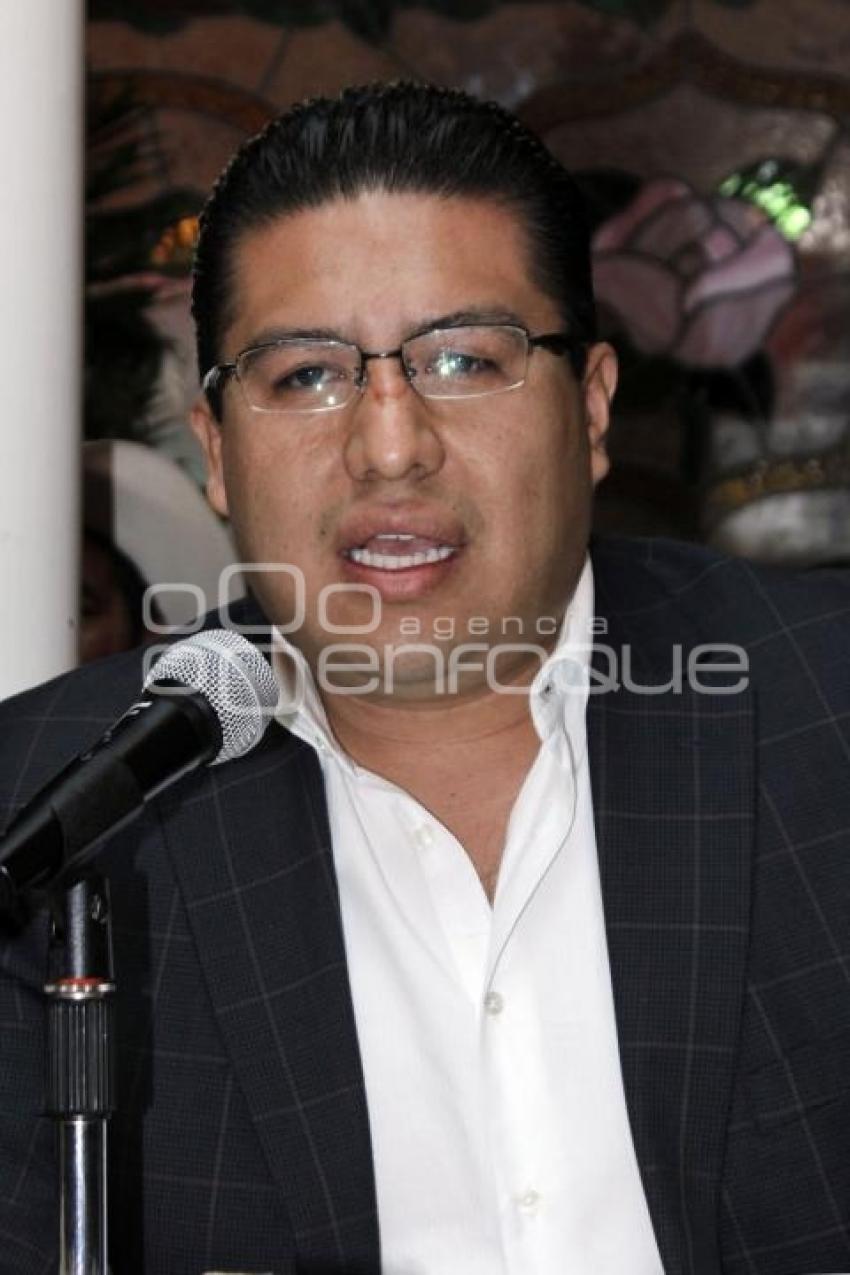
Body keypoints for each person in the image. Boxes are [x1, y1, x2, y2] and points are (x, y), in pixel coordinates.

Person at [1, 83, 849, 1275]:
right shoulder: (48, 810)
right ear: (217, 452)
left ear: (591, 409)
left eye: (461, 358)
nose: (389, 445)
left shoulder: (821, 706)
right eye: (306, 375)